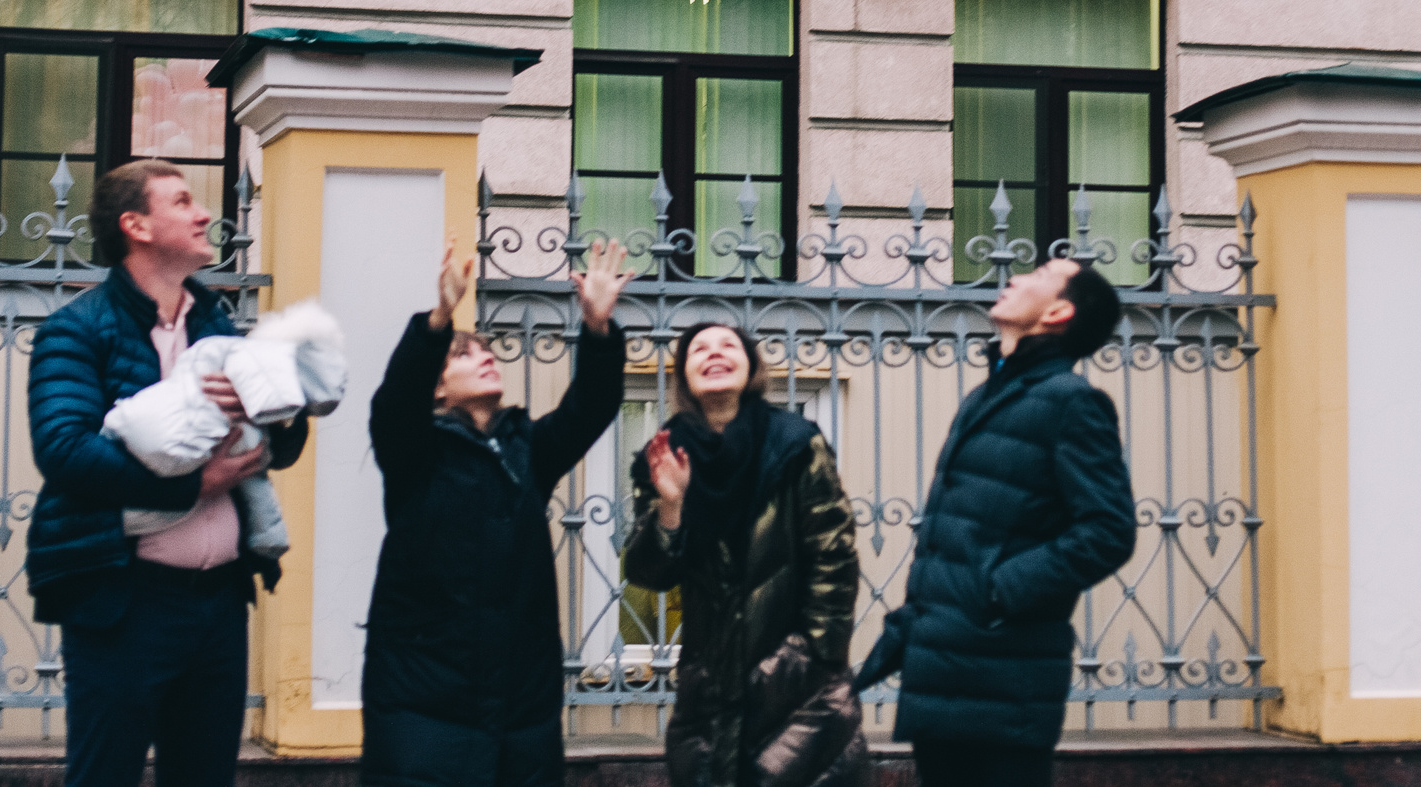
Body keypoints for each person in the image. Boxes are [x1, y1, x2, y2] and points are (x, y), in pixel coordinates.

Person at [26, 158, 310, 787]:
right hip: (125, 599)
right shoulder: (77, 330)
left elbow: (281, 442)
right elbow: (64, 448)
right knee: (106, 774)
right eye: (182, 201)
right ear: (137, 225)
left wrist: (278, 418)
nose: (204, 212)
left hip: (218, 602)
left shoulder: (217, 321)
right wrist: (191, 485)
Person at [852, 256, 1136, 787]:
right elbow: (956, 546)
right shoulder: (985, 398)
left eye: (1040, 275)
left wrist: (997, 590)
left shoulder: (1072, 403)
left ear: (1058, 311)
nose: (1015, 277)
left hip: (1005, 682)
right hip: (944, 674)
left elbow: (1108, 531)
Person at [361, 237, 633, 787]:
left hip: (520, 714)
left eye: (488, 350)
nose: (485, 356)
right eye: (464, 354)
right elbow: (394, 401)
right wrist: (440, 317)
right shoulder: (414, 451)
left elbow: (590, 408)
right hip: (423, 707)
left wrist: (598, 327)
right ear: (436, 387)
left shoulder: (524, 450)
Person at [623, 323, 866, 787]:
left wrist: (814, 652)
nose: (714, 353)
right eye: (699, 349)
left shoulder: (796, 443)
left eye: (728, 345)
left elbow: (833, 553)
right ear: (684, 374)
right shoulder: (663, 455)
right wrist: (670, 506)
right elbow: (649, 574)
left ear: (751, 366)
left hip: (801, 688)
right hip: (709, 689)